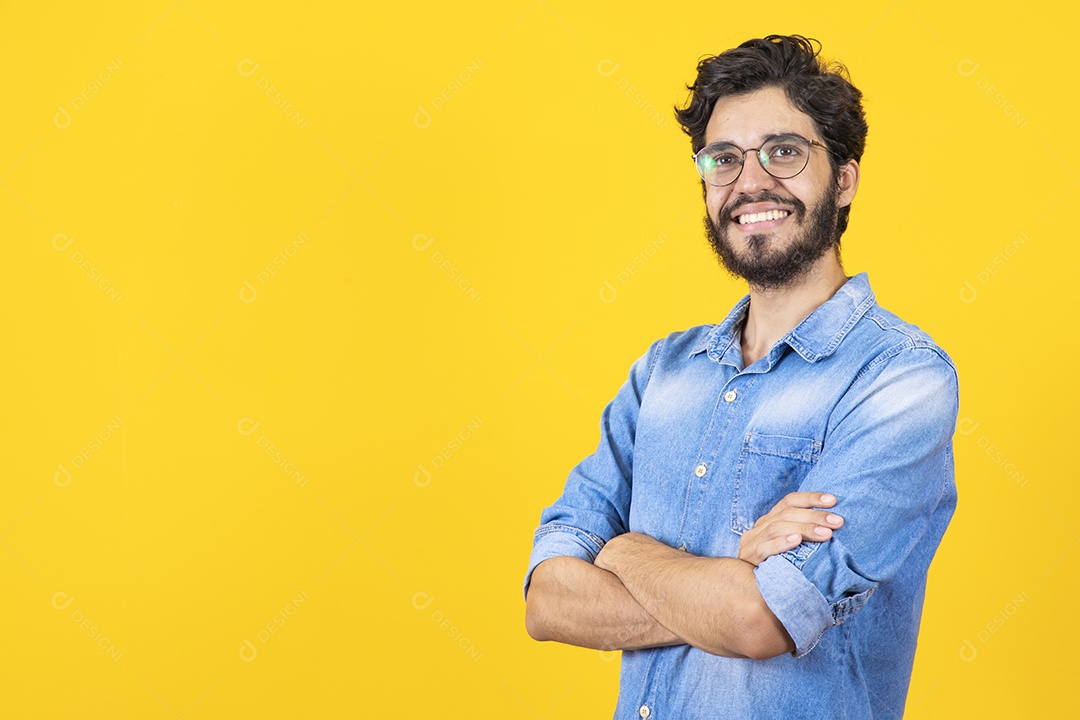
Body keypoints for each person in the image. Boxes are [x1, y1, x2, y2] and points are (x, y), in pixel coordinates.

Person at [523, 35, 959, 719]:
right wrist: (730, 575)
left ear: (842, 178)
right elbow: (548, 601)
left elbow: (762, 623)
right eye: (724, 159)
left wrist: (626, 551)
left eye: (783, 151)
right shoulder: (662, 374)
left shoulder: (900, 380)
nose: (750, 182)